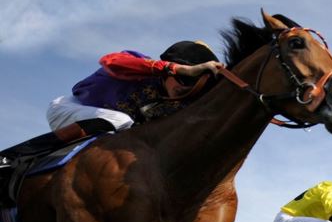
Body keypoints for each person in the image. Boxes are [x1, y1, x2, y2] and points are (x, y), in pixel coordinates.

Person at [0, 40, 224, 170]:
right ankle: (12, 156)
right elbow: (110, 61)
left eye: (196, 85)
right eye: (186, 78)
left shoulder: (176, 105)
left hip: (94, 137)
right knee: (122, 121)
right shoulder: (142, 66)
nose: (186, 87)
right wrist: (178, 69)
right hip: (68, 109)